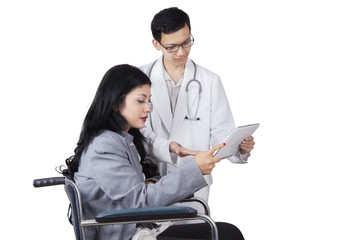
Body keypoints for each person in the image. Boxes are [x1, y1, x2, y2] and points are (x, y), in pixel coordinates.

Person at [62, 64, 244, 240]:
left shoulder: (124, 140)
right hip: (125, 234)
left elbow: (140, 187)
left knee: (228, 232)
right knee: (227, 235)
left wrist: (150, 182)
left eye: (149, 100)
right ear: (116, 103)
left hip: (140, 228)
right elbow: (139, 203)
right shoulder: (105, 146)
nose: (148, 107)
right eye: (141, 100)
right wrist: (195, 168)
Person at [139, 7, 255, 205]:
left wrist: (240, 148)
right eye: (172, 47)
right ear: (156, 44)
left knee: (195, 232)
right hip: (149, 181)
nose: (181, 51)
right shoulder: (140, 79)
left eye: (186, 42)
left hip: (193, 182)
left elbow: (222, 132)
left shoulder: (209, 81)